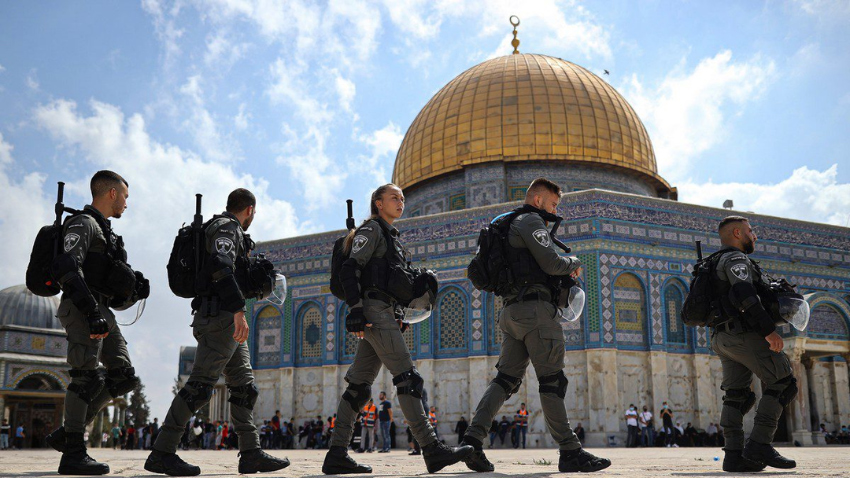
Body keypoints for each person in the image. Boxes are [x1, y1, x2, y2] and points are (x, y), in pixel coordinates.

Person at [460, 177, 610, 474]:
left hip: (511, 312)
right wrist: (573, 262)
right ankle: (570, 451)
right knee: (552, 381)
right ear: (538, 199)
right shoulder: (530, 220)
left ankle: (472, 442)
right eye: (553, 204)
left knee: (504, 380)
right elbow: (552, 263)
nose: (554, 210)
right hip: (537, 312)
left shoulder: (504, 225)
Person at [321, 183, 472, 475]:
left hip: (385, 312)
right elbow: (349, 268)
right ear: (378, 203)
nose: (400, 201)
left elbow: (389, 280)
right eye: (394, 197)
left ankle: (337, 453)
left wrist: (399, 313)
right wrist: (355, 309)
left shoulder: (392, 238)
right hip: (374, 312)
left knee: (358, 388)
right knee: (408, 378)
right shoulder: (372, 230)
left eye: (402, 198)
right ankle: (431, 448)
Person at [145, 189, 288, 476]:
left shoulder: (229, 230)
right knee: (200, 387)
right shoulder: (226, 228)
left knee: (244, 388)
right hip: (221, 317)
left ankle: (250, 453)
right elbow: (221, 268)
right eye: (253, 214)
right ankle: (162, 452)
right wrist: (239, 311)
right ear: (249, 210)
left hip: (225, 318)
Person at [46, 171, 149, 475]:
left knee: (124, 376)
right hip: (83, 308)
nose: (127, 204)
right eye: (125, 197)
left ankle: (68, 433)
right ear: (112, 193)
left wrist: (133, 289)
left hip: (102, 309)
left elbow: (108, 283)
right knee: (85, 377)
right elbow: (67, 267)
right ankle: (74, 453)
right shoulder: (83, 223)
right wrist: (91, 311)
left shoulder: (109, 234)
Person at [709, 216, 798, 472]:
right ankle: (759, 444)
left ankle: (734, 455)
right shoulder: (736, 259)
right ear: (737, 233)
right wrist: (769, 332)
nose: (754, 235)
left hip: (721, 338)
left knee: (737, 395)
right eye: (750, 231)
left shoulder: (713, 262)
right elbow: (744, 295)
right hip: (744, 334)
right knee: (783, 384)